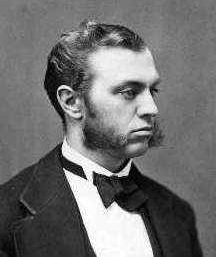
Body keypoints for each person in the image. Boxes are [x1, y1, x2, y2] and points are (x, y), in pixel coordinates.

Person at [0, 21, 202, 257]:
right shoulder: (6, 215)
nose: (151, 108)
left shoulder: (177, 213)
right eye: (129, 92)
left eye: (152, 91)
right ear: (72, 102)